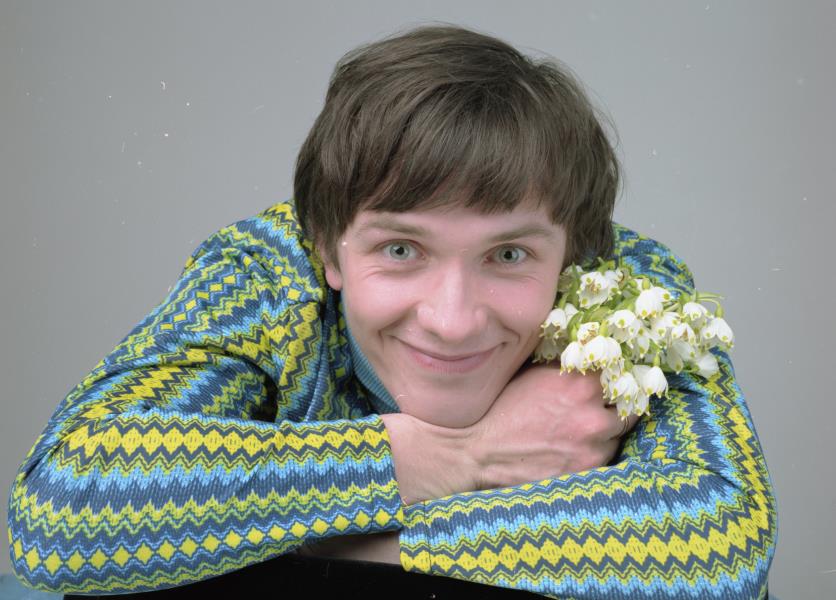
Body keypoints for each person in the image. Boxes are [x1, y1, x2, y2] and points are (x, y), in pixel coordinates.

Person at [7, 23, 776, 599]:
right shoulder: (263, 273)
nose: (451, 319)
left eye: (509, 255)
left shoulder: (628, 295)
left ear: (575, 261)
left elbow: (725, 539)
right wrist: (455, 459)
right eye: (402, 249)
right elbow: (60, 507)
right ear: (327, 247)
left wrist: (345, 544)